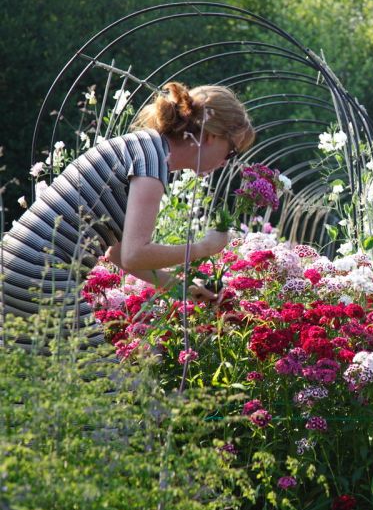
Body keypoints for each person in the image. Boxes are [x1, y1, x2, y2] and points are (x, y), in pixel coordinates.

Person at [0, 81, 255, 349]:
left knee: (31, 379)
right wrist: (204, 247)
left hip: (16, 267)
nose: (227, 162)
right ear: (210, 136)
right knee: (99, 382)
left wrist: (182, 287)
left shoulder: (146, 147)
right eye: (232, 151)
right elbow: (135, 254)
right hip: (42, 273)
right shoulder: (152, 162)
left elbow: (119, 255)